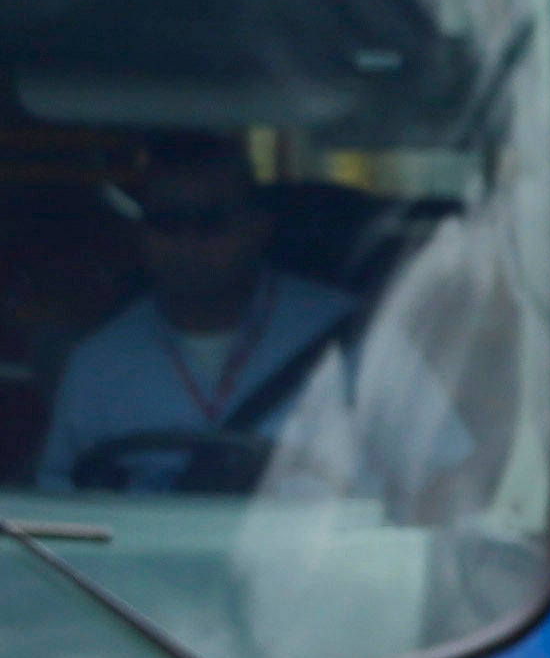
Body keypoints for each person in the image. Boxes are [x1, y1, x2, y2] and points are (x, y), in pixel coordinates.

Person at [29, 134, 354, 493]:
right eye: (167, 222)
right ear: (142, 233)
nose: (188, 242)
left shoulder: (348, 335)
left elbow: (402, 478)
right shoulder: (98, 362)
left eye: (210, 221)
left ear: (257, 228)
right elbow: (59, 493)